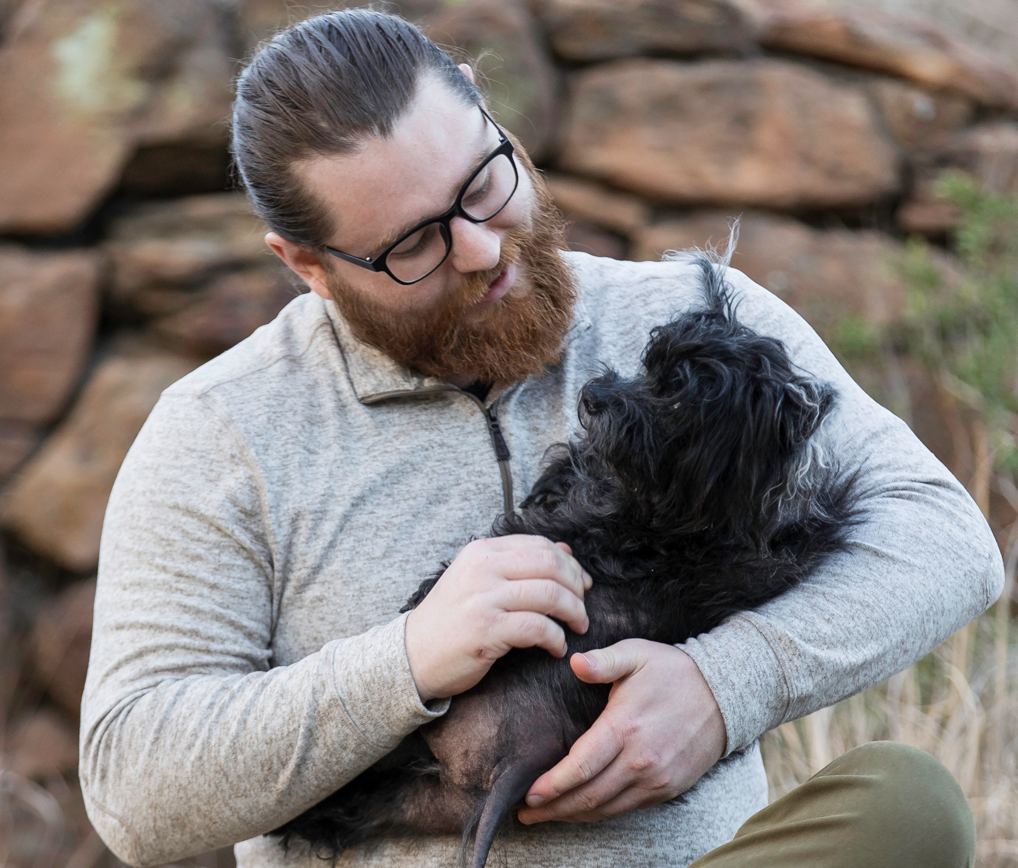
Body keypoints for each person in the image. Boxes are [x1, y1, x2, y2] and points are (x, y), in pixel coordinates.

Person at [79, 9, 1002, 868]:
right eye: (413, 247)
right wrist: (407, 660)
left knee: (905, 803)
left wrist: (723, 688)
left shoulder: (691, 316)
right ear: (308, 265)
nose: (482, 249)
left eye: (484, 185)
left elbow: (944, 539)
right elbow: (132, 783)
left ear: (489, 108)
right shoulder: (221, 433)